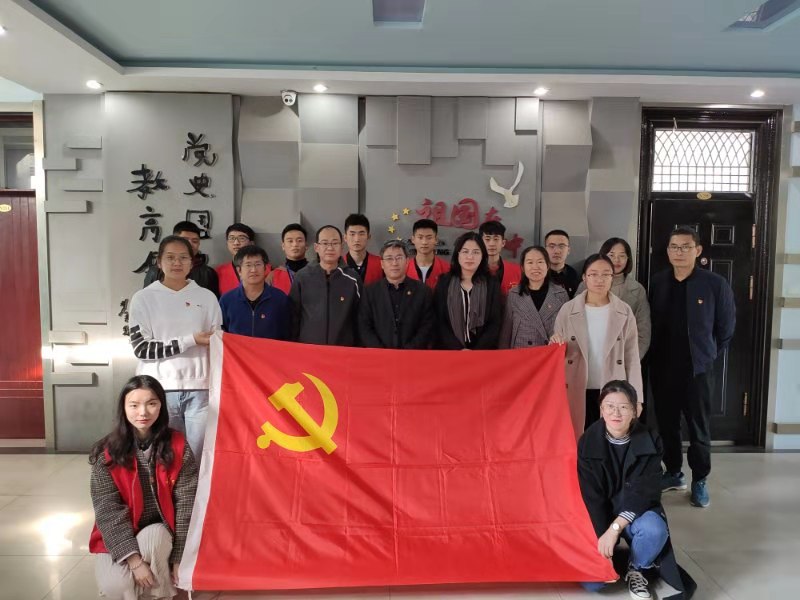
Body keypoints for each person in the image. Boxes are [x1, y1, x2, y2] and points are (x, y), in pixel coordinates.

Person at [578, 380, 696, 600]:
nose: (616, 413)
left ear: (635, 411)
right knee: (593, 584)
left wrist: (615, 529)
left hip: (636, 511)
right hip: (600, 514)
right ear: (601, 409)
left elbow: (645, 491)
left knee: (654, 529)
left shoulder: (651, 438)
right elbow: (591, 497)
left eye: (623, 407)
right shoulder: (587, 442)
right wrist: (603, 536)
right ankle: (614, 554)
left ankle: (636, 568)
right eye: (609, 406)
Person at [89, 375, 199, 600]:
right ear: (123, 408)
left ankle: (160, 594)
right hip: (119, 533)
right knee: (116, 587)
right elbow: (107, 510)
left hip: (159, 534)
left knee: (156, 537)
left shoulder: (178, 445)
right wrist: (134, 561)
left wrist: (179, 558)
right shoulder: (106, 453)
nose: (143, 412)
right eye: (134, 405)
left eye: (151, 403)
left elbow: (186, 503)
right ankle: (142, 582)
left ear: (161, 406)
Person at [649, 226, 735, 508]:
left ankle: (700, 479)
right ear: (668, 251)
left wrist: (706, 356)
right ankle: (674, 472)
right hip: (663, 369)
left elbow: (725, 329)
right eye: (674, 247)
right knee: (667, 425)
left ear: (697, 251)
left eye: (686, 247)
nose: (679, 252)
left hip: (697, 371)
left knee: (698, 428)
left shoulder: (714, 284)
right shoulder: (658, 282)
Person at [129, 235, 222, 459]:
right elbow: (142, 349)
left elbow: (218, 343)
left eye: (183, 258)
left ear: (192, 262)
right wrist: (191, 340)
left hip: (200, 390)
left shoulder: (207, 297)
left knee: (198, 457)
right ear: (159, 262)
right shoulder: (143, 298)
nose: (177, 263)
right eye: (170, 257)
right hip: (159, 389)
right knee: (164, 456)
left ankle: (192, 486)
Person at [551, 254, 643, 439]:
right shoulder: (568, 310)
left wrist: (637, 397)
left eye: (605, 274)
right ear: (584, 278)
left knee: (608, 439)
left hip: (612, 387)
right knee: (577, 439)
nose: (599, 279)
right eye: (593, 274)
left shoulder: (624, 311)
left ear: (612, 277)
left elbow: (632, 357)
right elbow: (556, 352)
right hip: (576, 386)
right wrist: (554, 343)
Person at [577, 237, 651, 358]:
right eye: (611, 255)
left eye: (622, 255)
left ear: (628, 259)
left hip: (622, 357)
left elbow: (643, 331)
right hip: (588, 354)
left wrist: (631, 361)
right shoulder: (585, 284)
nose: (617, 260)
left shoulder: (637, 290)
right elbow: (574, 322)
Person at [290, 225, 362, 346]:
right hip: (309, 350)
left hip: (343, 350)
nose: (330, 248)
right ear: (316, 247)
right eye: (324, 243)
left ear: (341, 247)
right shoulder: (302, 277)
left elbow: (360, 318)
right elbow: (293, 317)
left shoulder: (353, 279)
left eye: (335, 243)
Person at [358, 240, 434, 349]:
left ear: (407, 261)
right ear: (382, 264)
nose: (394, 263)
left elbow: (427, 326)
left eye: (399, 258)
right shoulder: (369, 292)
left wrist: (408, 351)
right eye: (389, 258)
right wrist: (381, 351)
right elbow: (364, 326)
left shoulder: (423, 291)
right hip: (379, 355)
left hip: (413, 354)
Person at [433, 232, 503, 350]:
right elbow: (439, 321)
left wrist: (476, 351)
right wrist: (458, 349)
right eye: (465, 251)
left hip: (482, 352)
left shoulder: (492, 284)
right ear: (458, 254)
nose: (470, 257)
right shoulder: (444, 282)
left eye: (476, 252)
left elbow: (495, 322)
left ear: (482, 256)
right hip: (450, 351)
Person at [499, 245, 568, 348]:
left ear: (547, 265)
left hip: (550, 353)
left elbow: (567, 329)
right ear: (523, 267)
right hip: (521, 352)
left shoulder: (560, 294)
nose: (535, 267)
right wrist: (503, 355)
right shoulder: (514, 294)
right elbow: (506, 331)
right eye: (530, 262)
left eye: (540, 262)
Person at [219, 246, 290, 340]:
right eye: (248, 265)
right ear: (239, 270)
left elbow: (287, 334)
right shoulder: (227, 300)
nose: (253, 270)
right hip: (238, 349)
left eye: (258, 264)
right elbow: (222, 335)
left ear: (265, 268)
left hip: (271, 349)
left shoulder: (279, 298)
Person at [143, 221, 220, 298]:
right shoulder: (155, 271)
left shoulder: (208, 273)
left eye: (195, 241)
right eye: (185, 240)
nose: (190, 244)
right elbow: (147, 297)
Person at [216, 223, 267, 295]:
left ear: (251, 243)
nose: (236, 243)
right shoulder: (219, 272)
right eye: (232, 238)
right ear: (227, 243)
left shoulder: (266, 270)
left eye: (242, 238)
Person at [479, 220, 522, 295]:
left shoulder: (517, 271)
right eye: (487, 239)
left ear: (503, 243)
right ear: (480, 242)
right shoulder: (472, 270)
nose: (492, 244)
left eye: (496, 239)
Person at [406, 218, 450, 290]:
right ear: (413, 239)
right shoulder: (403, 269)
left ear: (436, 240)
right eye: (420, 237)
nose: (424, 242)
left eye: (429, 238)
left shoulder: (447, 269)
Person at [266, 222, 309, 294]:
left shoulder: (317, 272)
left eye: (299, 241)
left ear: (306, 246)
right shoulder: (273, 276)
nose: (295, 244)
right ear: (283, 246)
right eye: (290, 241)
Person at [343, 213, 383, 285]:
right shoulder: (337, 264)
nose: (357, 239)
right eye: (352, 234)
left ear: (368, 236)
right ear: (345, 237)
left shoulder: (381, 263)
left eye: (361, 234)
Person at [544, 229, 580, 299]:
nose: (557, 251)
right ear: (545, 250)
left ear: (568, 250)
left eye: (561, 246)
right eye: (551, 246)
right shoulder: (538, 273)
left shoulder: (573, 274)